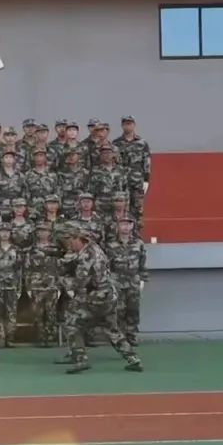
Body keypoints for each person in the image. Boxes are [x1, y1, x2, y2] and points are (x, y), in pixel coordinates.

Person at [55, 227, 143, 374]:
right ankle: (133, 359)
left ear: (79, 239)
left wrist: (62, 279)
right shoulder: (95, 248)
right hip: (108, 295)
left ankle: (80, 359)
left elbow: (80, 281)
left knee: (71, 323)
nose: (69, 244)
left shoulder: (86, 256)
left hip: (95, 297)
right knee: (111, 329)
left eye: (71, 240)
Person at [105, 217, 148, 346]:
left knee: (133, 309)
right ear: (117, 226)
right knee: (118, 310)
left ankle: (132, 335)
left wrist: (142, 279)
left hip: (133, 281)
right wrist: (108, 281)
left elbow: (142, 262)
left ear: (132, 226)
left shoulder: (138, 243)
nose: (126, 227)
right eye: (123, 224)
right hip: (116, 281)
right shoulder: (110, 244)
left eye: (128, 224)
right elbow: (106, 265)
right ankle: (120, 337)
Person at [25, 223, 61, 347]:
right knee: (37, 313)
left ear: (50, 233)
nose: (43, 233)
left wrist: (60, 285)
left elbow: (60, 267)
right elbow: (27, 269)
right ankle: (40, 337)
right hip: (36, 284)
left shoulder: (56, 249)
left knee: (51, 312)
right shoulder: (31, 249)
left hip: (52, 284)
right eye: (40, 231)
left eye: (45, 231)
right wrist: (28, 286)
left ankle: (51, 337)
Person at [0, 223, 21, 347]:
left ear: (10, 233)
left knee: (11, 312)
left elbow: (19, 270)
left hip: (12, 283)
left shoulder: (16, 249)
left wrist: (19, 287)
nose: (5, 234)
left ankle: (10, 338)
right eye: (2, 231)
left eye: (7, 231)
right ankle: (0, 338)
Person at [113, 116, 152, 220]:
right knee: (122, 208)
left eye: (130, 124)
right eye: (125, 124)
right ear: (122, 126)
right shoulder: (116, 143)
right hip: (121, 182)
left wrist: (146, 179)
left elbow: (147, 161)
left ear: (134, 125)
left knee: (137, 209)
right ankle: (122, 229)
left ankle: (136, 230)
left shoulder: (142, 143)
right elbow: (113, 163)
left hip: (137, 181)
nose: (128, 126)